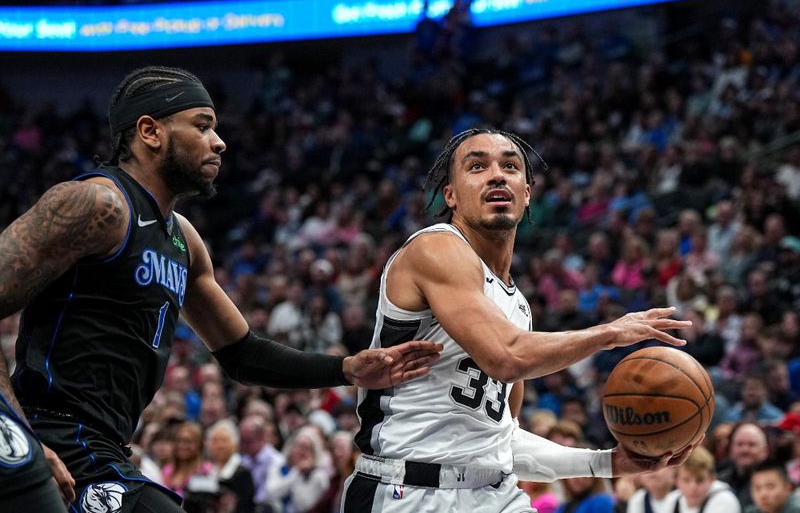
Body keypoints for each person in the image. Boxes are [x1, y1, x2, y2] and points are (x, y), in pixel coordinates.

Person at [0, 66, 442, 512]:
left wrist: (346, 369)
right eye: (202, 125)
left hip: (102, 450)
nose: (219, 141)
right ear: (150, 131)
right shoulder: (97, 205)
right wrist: (19, 438)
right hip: (47, 435)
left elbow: (242, 355)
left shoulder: (184, 241)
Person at [341, 128, 697, 512]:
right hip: (405, 491)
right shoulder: (436, 247)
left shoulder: (519, 308)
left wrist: (605, 461)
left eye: (510, 166)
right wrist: (610, 333)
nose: (497, 174)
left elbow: (502, 442)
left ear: (526, 194)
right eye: (476, 166)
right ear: (451, 196)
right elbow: (505, 358)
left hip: (494, 493)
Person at [672, 446, 740, 513]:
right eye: (686, 480)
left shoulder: (725, 501)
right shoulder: (671, 500)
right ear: (676, 480)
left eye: (700, 480)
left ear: (712, 479)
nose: (693, 487)